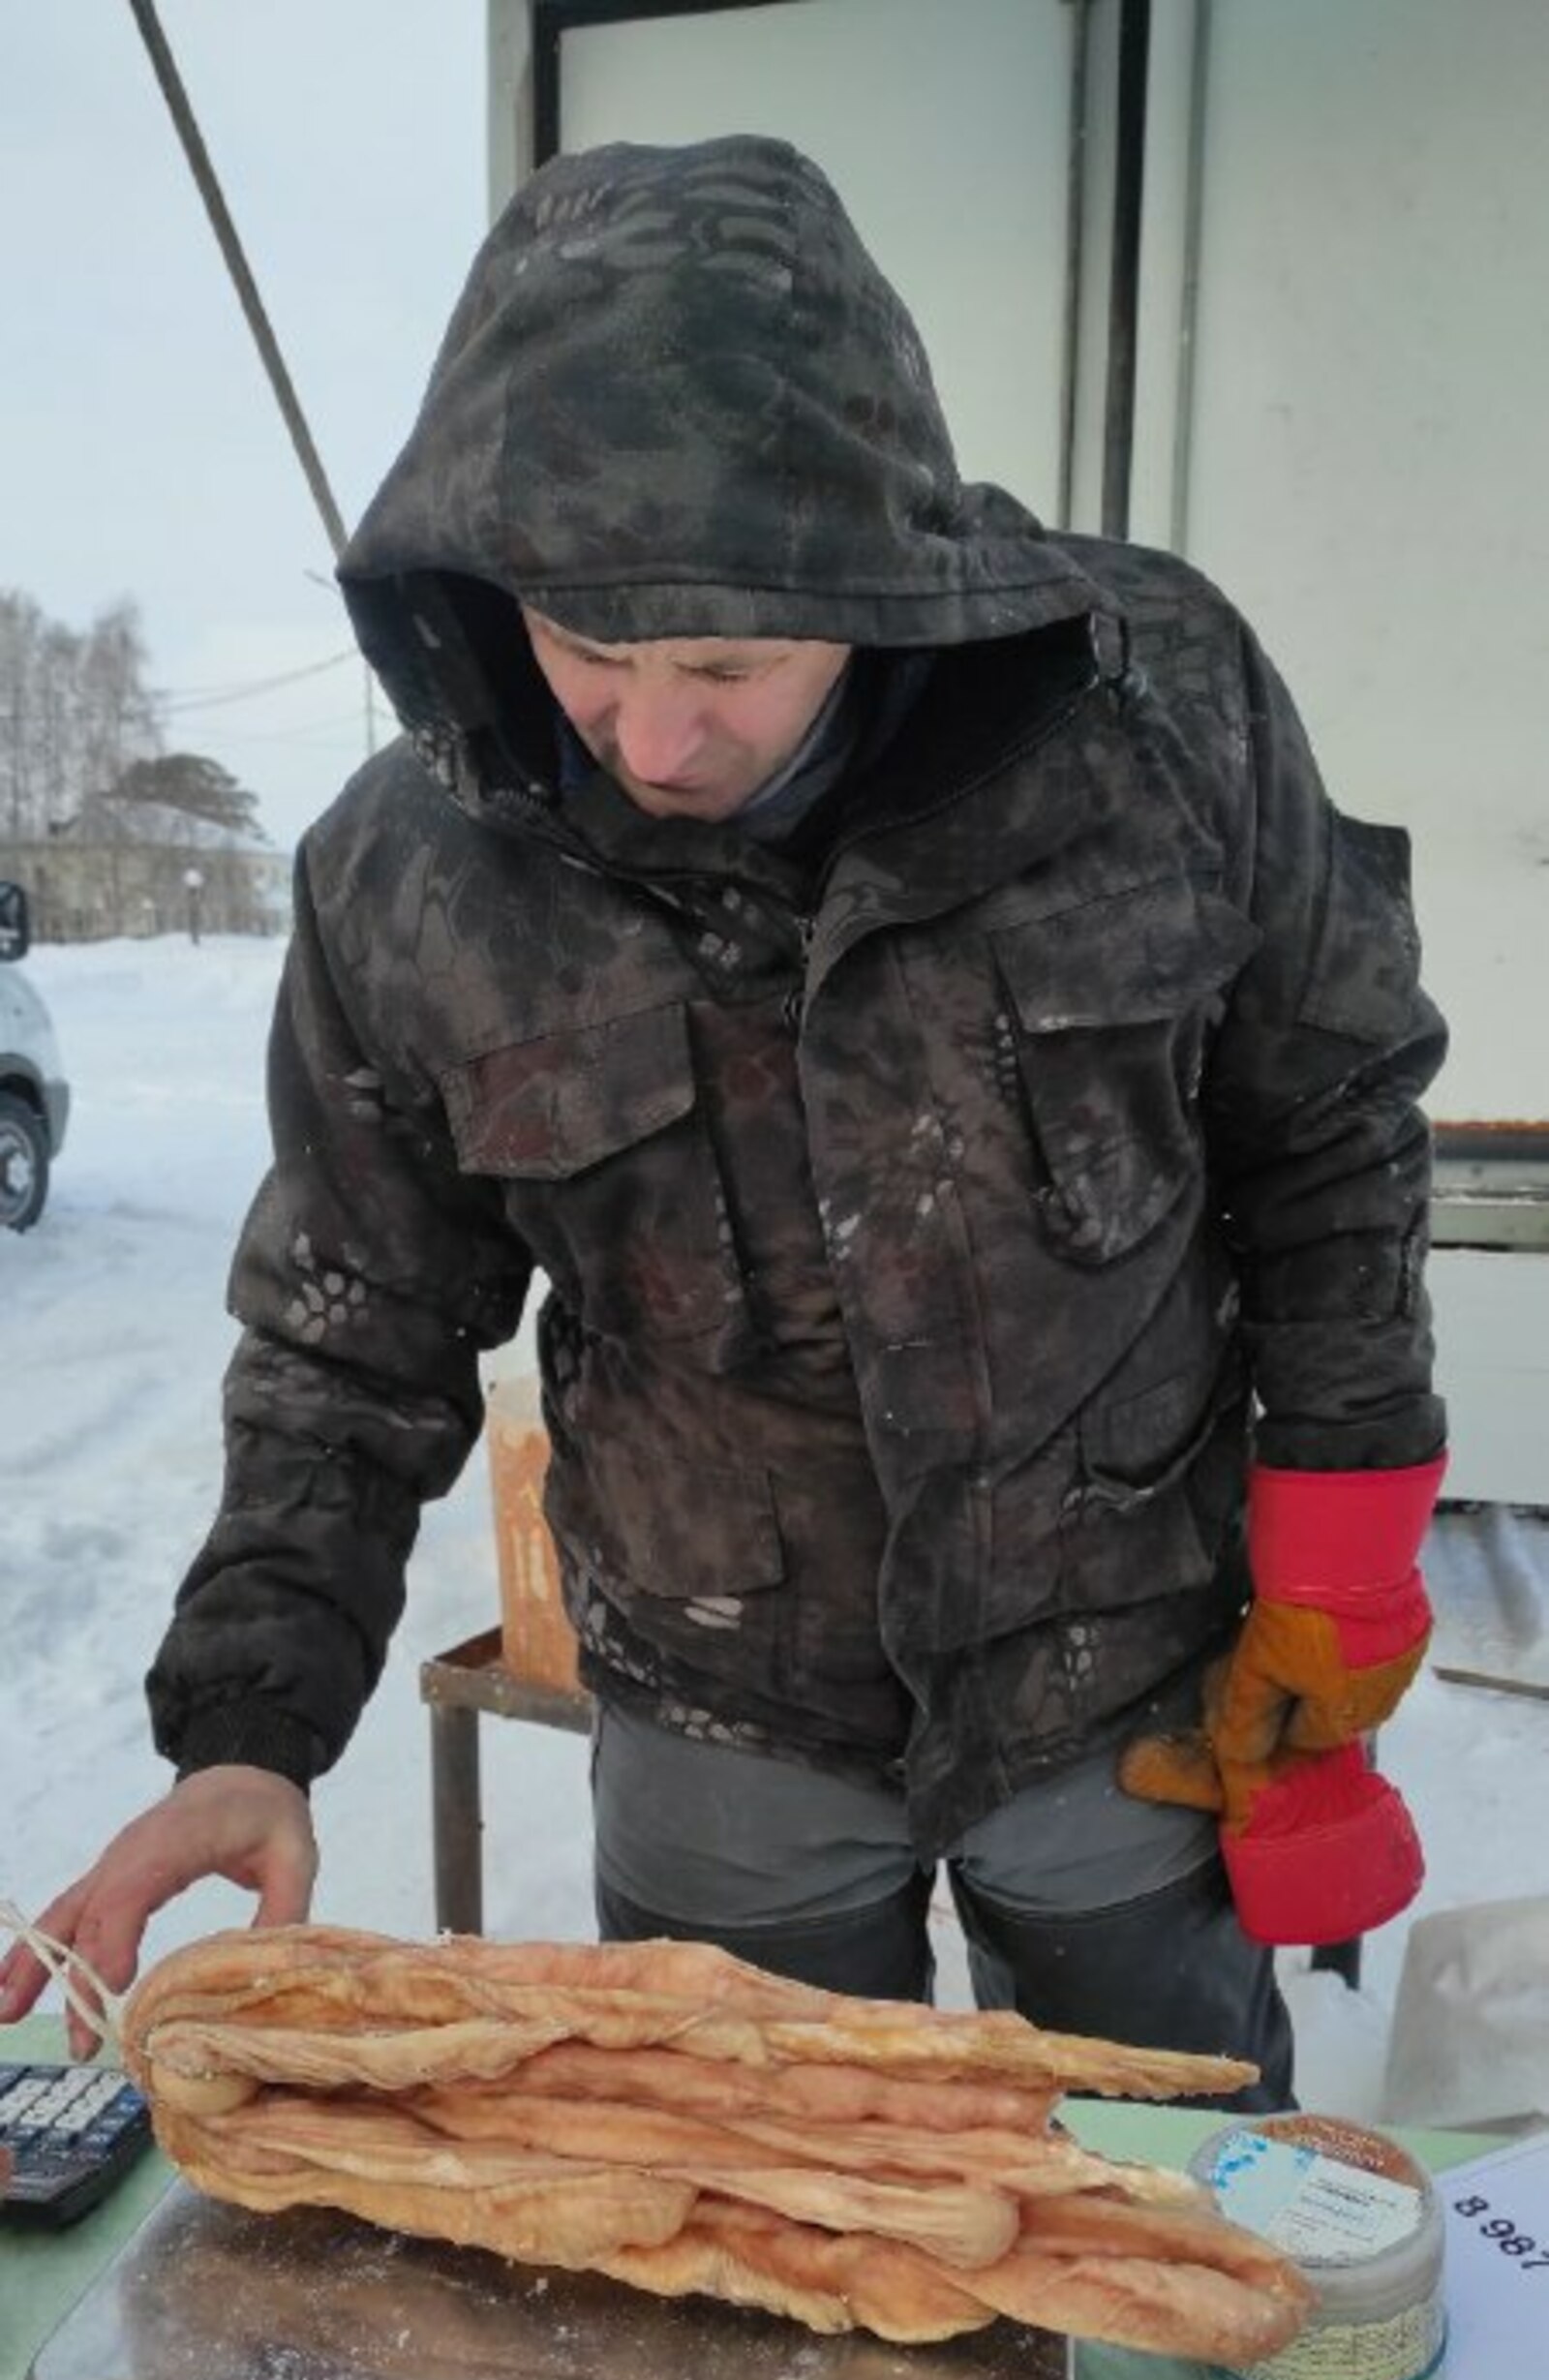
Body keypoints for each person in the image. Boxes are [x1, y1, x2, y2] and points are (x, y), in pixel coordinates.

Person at [0, 135, 1448, 2105]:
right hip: (721, 1730)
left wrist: (1345, 1546)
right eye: (587, 651)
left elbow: (1328, 1124)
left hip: (1127, 1681)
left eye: (727, 662)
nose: (655, 737)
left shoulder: (1154, 712)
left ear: (877, 579)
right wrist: (251, 1727)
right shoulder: (411, 877)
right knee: (760, 2214)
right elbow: (352, 1331)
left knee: (1161, 2200)